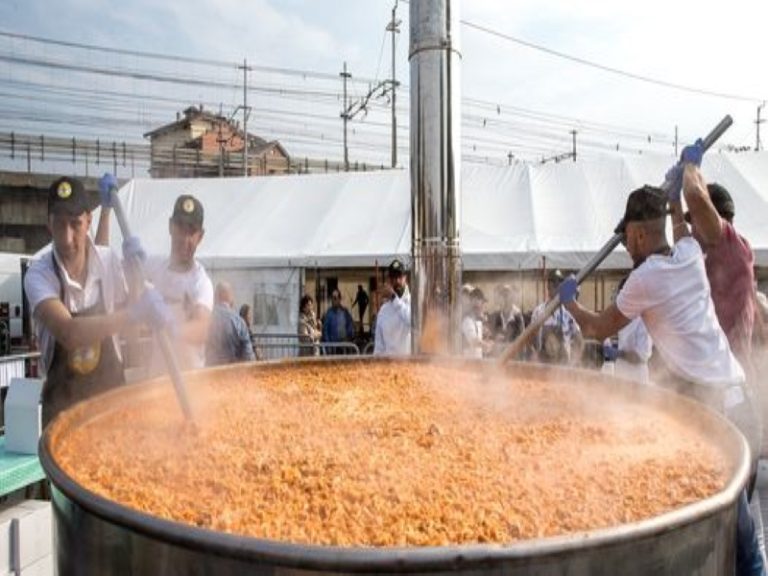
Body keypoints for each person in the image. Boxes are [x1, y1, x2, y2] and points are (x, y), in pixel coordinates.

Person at [557, 180, 764, 576]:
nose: (627, 248)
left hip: (717, 413)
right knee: (739, 536)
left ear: (637, 233)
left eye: (627, 240)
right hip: (740, 406)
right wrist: (672, 203)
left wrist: (571, 304)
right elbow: (684, 231)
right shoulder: (687, 253)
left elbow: (598, 329)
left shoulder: (645, 279)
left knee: (733, 538)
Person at [24, 176, 171, 426]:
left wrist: (137, 278)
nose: (68, 238)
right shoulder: (40, 274)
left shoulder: (108, 261)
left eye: (75, 224)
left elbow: (133, 320)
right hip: (62, 413)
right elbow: (69, 333)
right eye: (59, 225)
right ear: (48, 226)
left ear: (88, 221)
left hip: (111, 406)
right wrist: (133, 314)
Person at [144, 194, 214, 374]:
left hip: (190, 381)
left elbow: (201, 328)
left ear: (201, 236)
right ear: (170, 227)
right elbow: (111, 269)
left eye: (191, 231)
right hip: (157, 378)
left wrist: (172, 329)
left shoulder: (200, 282)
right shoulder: (153, 267)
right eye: (180, 228)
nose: (185, 238)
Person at [530, 269, 582, 364]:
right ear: (548, 286)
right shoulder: (538, 312)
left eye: (559, 282)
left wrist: (574, 361)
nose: (556, 285)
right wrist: (535, 355)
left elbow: (578, 339)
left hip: (563, 364)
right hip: (542, 363)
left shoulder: (569, 311)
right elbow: (531, 337)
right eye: (553, 282)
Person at [205, 282, 255, 367]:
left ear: (216, 296)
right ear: (229, 296)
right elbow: (248, 356)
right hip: (232, 375)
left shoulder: (204, 320)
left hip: (209, 374)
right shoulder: (239, 321)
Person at [373, 259, 411, 356]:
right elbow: (379, 346)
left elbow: (411, 321)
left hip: (410, 366)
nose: (397, 281)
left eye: (399, 276)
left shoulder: (413, 303)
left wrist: (394, 298)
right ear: (389, 280)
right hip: (388, 367)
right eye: (393, 277)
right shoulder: (383, 311)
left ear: (405, 278)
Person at [488, 284, 525, 350]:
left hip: (514, 356)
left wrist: (505, 344)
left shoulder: (517, 317)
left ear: (512, 298)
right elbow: (491, 337)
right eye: (503, 295)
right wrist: (495, 338)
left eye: (507, 295)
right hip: (498, 356)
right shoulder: (495, 316)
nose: (505, 299)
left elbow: (522, 339)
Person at [321, 288, 355, 354]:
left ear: (339, 299)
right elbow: (325, 331)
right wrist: (328, 346)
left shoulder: (345, 312)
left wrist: (349, 337)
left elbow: (350, 325)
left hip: (344, 346)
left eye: (335, 298)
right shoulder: (328, 314)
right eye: (332, 298)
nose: (333, 300)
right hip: (333, 347)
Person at [462, 287, 492, 358]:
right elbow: (473, 340)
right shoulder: (467, 321)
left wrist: (488, 343)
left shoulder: (478, 322)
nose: (484, 307)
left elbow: (481, 342)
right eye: (482, 303)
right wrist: (485, 345)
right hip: (467, 364)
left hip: (476, 363)